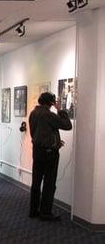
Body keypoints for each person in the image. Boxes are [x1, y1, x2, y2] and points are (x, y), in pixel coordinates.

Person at [29, 92, 72, 221]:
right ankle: (45, 212)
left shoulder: (33, 113)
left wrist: (54, 141)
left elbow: (37, 132)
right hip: (49, 154)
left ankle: (33, 211)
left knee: (36, 182)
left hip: (37, 151)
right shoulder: (48, 114)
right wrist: (60, 110)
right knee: (49, 183)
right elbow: (67, 125)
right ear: (51, 103)